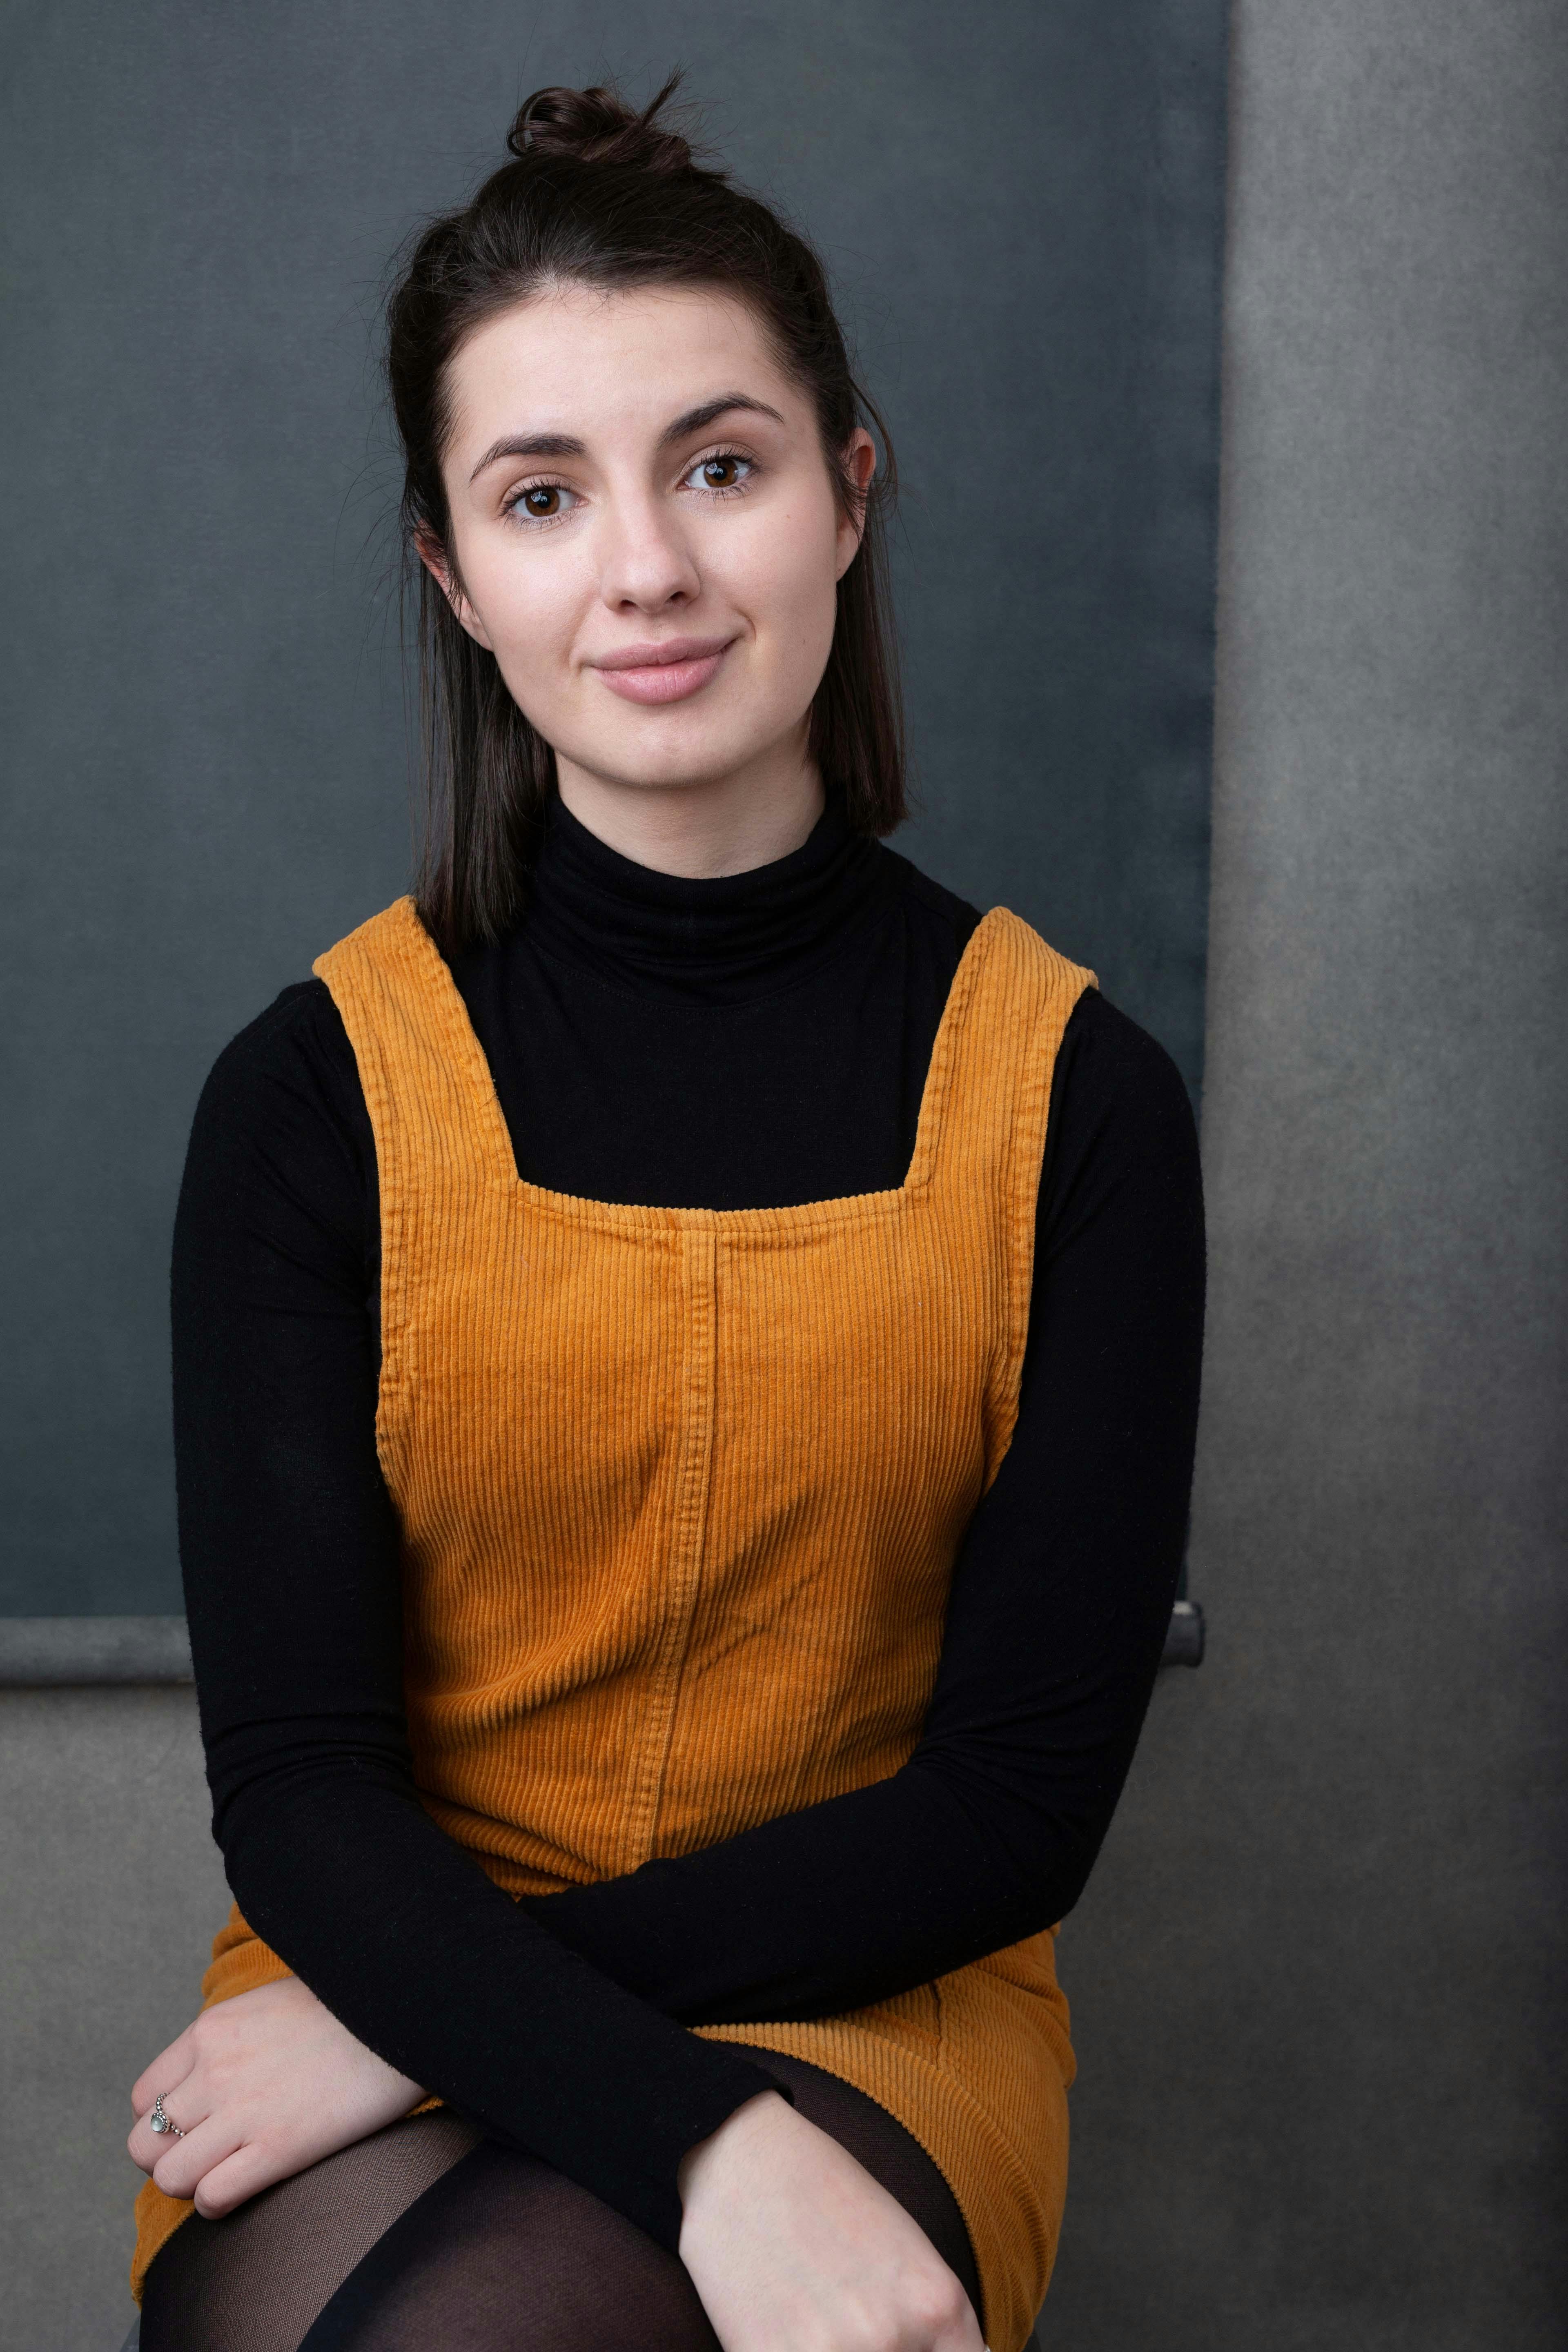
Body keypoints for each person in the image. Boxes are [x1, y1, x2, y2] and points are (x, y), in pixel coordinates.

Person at [126, 77, 1204, 2352]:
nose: (645, 570)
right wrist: (605, 2095)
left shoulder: (1080, 1100)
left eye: (720, 466)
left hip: (881, 2002)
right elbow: (303, 1791)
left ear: (850, 494)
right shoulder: (309, 1098)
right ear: (454, 572)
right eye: (543, 496)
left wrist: (483, 2055)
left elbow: (1012, 1809)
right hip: (379, 1957)